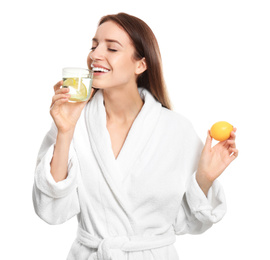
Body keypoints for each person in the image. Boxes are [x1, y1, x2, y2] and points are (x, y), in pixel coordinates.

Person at [33, 12, 238, 260]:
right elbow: (51, 210)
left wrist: (204, 178)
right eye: (94, 45)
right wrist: (65, 132)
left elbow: (189, 223)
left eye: (111, 48)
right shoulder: (73, 121)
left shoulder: (176, 129)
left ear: (140, 64)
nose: (95, 55)